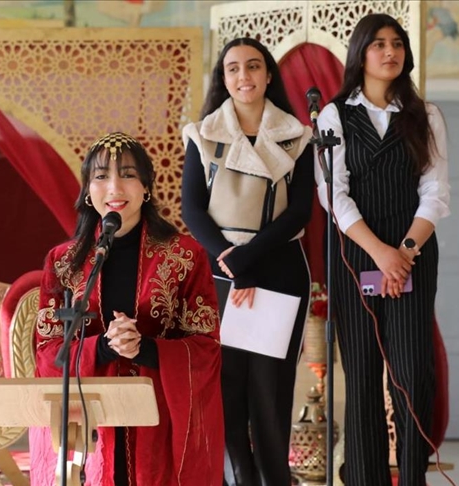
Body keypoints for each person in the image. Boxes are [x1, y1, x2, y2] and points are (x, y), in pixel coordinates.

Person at [30, 132, 223, 485]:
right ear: (88, 191)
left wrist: (143, 348)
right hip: (88, 424)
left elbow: (206, 349)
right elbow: (46, 353)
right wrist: (104, 346)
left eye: (128, 174)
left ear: (147, 187)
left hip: (159, 421)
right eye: (102, 176)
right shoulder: (63, 263)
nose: (115, 187)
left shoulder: (185, 256)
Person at [314, 13, 450, 486]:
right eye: (378, 44)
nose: (390, 52)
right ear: (360, 54)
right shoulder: (334, 116)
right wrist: (380, 254)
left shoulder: (425, 115)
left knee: (413, 377)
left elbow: (436, 192)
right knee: (364, 379)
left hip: (414, 252)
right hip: (357, 256)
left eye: (397, 44)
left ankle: (413, 478)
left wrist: (405, 252)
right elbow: (334, 194)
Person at [181, 37, 313, 485]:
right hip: (221, 273)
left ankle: (277, 478)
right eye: (233, 69)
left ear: (269, 74)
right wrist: (228, 258)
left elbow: (300, 211)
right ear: (223, 78)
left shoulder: (297, 135)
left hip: (277, 268)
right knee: (227, 388)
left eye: (253, 67)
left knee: (270, 390)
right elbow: (192, 210)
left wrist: (249, 257)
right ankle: (239, 476)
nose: (244, 77)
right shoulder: (202, 134)